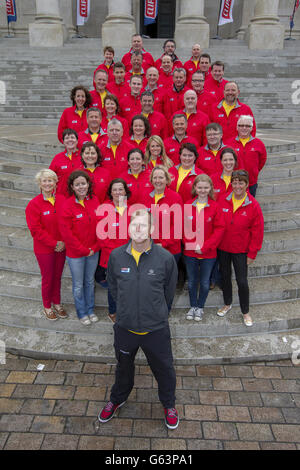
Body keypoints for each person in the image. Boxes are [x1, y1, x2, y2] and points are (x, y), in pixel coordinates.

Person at [98, 208, 179, 430]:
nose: (139, 229)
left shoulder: (165, 258)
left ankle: (169, 405)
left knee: (164, 369)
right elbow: (114, 288)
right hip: (125, 327)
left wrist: (157, 311)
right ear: (128, 228)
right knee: (123, 368)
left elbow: (169, 292)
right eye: (134, 225)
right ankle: (117, 399)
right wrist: (126, 310)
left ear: (152, 229)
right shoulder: (116, 256)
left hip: (156, 329)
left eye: (143, 225)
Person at [217, 170, 264, 327]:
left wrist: (252, 253)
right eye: (235, 182)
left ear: (247, 184)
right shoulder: (223, 199)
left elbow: (257, 232)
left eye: (241, 182)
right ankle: (227, 303)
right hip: (223, 247)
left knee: (242, 281)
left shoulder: (253, 205)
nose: (237, 185)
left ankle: (245, 311)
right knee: (225, 277)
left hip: (241, 250)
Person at [59, 170, 101, 326]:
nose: (81, 187)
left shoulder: (95, 200)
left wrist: (95, 247)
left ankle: (90, 310)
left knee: (89, 282)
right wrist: (84, 250)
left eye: (83, 183)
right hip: (76, 253)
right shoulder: (67, 205)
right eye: (77, 184)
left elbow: (100, 227)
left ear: (88, 184)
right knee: (78, 284)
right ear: (72, 186)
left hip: (93, 251)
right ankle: (82, 313)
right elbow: (67, 233)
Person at [25, 169, 67, 321]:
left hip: (62, 247)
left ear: (56, 183)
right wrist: (54, 243)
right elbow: (35, 230)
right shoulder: (34, 204)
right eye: (44, 181)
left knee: (57, 276)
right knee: (48, 277)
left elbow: (67, 223)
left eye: (50, 180)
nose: (48, 183)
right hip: (44, 249)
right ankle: (47, 306)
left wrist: (63, 242)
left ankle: (57, 303)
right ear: (39, 184)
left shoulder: (62, 199)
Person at [183, 174, 225, 321]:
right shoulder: (188, 205)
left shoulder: (215, 207)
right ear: (195, 188)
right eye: (199, 187)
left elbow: (219, 230)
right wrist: (194, 245)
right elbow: (183, 229)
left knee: (205, 282)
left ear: (210, 188)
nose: (202, 190)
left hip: (208, 253)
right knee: (193, 281)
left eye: (206, 187)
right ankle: (193, 306)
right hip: (190, 252)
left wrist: (205, 246)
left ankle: (200, 307)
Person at [97, 178, 131, 321]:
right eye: (115, 190)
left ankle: (127, 310)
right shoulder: (104, 209)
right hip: (110, 256)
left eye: (120, 189)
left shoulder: (132, 210)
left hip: (129, 255)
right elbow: (101, 235)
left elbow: (136, 233)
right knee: (114, 286)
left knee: (128, 285)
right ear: (110, 192)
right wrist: (116, 252)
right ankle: (113, 311)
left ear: (125, 191)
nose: (118, 192)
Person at [140, 165, 183, 262]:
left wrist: (163, 243)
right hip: (149, 247)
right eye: (155, 178)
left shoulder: (175, 197)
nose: (157, 180)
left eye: (161, 177)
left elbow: (178, 226)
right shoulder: (145, 196)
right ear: (151, 180)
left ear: (167, 179)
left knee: (168, 277)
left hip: (170, 249)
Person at [226, 115, 267, 197]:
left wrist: (254, 171)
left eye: (247, 126)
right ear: (237, 127)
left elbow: (262, 160)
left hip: (251, 182)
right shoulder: (228, 143)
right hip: (233, 182)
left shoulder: (259, 143)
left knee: (248, 207)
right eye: (241, 125)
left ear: (252, 128)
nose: (244, 128)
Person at [49, 128, 81, 198]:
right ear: (63, 141)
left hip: (81, 196)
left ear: (77, 140)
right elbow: (49, 177)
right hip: (62, 197)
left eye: (72, 137)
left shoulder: (84, 156)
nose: (70, 140)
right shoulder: (57, 158)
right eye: (67, 138)